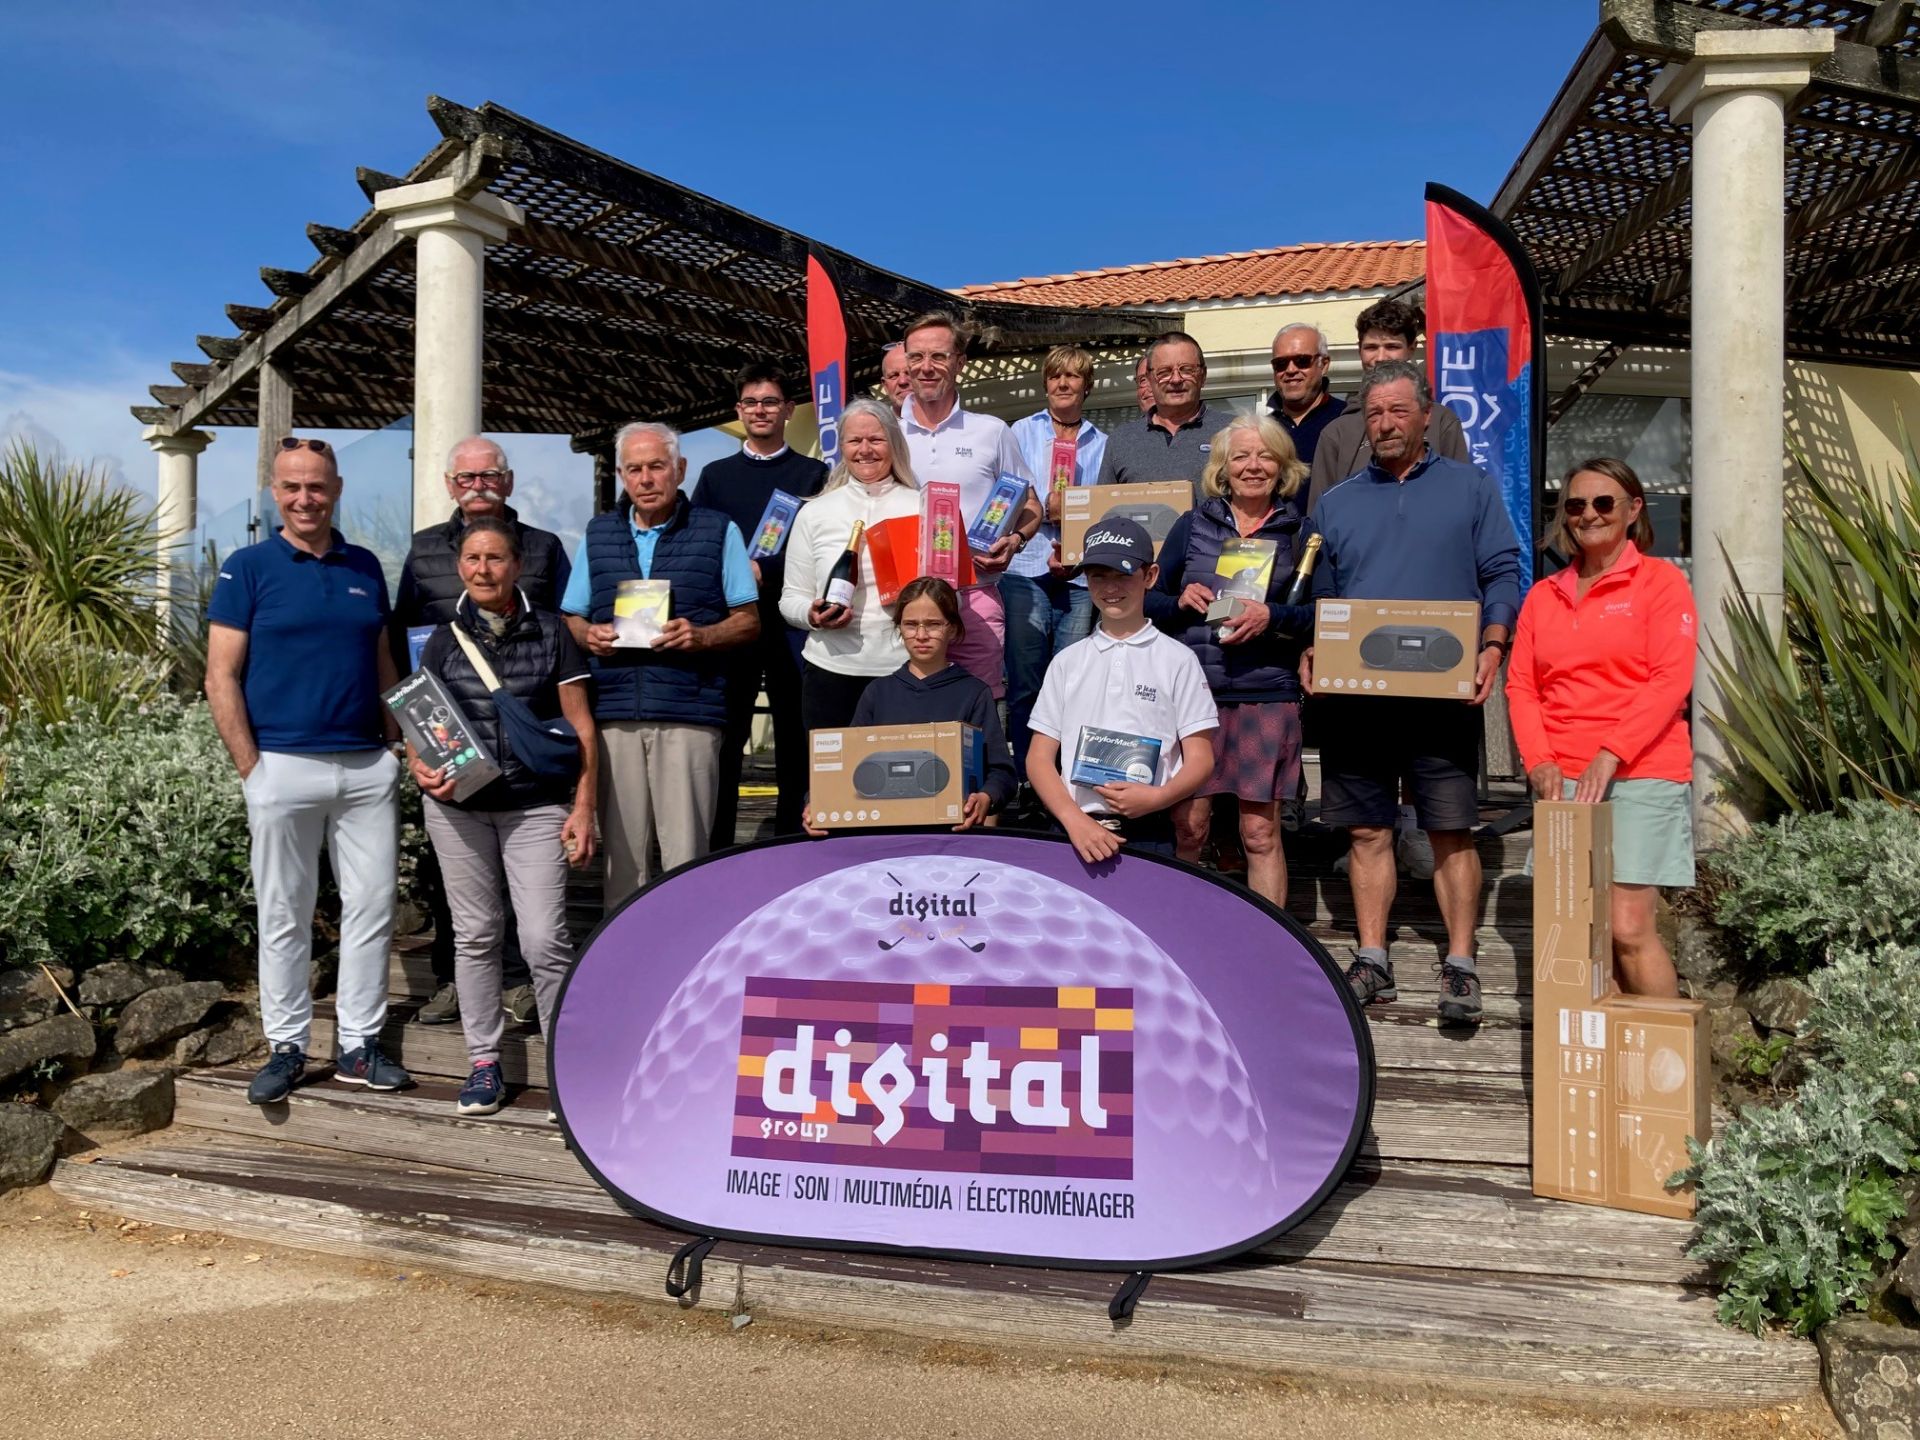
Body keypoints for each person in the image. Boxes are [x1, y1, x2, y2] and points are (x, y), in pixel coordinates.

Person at [1304, 360, 1522, 1024]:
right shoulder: (1336, 502)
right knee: (1367, 830)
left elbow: (1501, 571)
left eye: (1399, 411)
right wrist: (1312, 647)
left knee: (1450, 830)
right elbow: (1321, 594)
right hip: (1359, 700)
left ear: (1427, 416)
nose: (1386, 423)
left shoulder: (1471, 486)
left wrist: (1493, 645)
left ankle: (1461, 964)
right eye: (1375, 413)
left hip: (1442, 698)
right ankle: (1373, 958)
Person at [205, 436, 412, 1104]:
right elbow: (220, 675)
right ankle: (288, 1045)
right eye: (292, 487)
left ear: (336, 490)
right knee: (285, 913)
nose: (305, 499)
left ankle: (358, 1045)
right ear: (275, 493)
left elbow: (382, 660)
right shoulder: (247, 567)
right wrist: (252, 769)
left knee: (373, 908)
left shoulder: (365, 567)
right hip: (282, 767)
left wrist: (394, 742)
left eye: (316, 486)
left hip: (364, 767)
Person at [407, 517, 599, 1115]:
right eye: (472, 559)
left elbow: (582, 727)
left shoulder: (553, 632)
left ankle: (565, 1066)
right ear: (459, 567)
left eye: (494, 559)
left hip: (535, 804)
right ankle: (484, 1063)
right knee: (476, 936)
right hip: (458, 810)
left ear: (517, 566)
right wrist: (419, 766)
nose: (483, 570)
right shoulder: (441, 640)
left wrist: (584, 807)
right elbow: (419, 720)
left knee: (543, 938)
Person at [393, 435, 571, 1029]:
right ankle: (453, 980)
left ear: (508, 481)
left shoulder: (543, 547)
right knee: (457, 884)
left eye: (489, 476)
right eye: (466, 478)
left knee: (527, 888)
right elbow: (404, 637)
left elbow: (564, 628)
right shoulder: (423, 549)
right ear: (450, 485)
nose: (478, 487)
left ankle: (519, 982)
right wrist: (412, 740)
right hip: (450, 739)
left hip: (523, 742)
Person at [1507, 458, 1696, 998]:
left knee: (1629, 929)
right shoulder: (1544, 594)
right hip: (1563, 781)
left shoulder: (1662, 583)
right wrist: (1539, 761)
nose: (1588, 514)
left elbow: (1670, 679)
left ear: (1634, 509)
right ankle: (1598, 1048)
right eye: (1575, 504)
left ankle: (1661, 1048)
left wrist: (1612, 751)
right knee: (1579, 933)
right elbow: (1522, 686)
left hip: (1642, 772)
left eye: (1603, 502)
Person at [561, 422, 760, 910]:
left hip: (689, 711)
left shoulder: (719, 530)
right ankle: (626, 953)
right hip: (615, 714)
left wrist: (702, 635)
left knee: (686, 858)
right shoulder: (598, 533)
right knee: (622, 863)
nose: (646, 479)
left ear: (680, 469)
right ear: (622, 476)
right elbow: (572, 617)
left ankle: (687, 951)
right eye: (634, 469)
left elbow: (749, 621)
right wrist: (590, 635)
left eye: (656, 466)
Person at [1147, 414, 1312, 907]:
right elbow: (1149, 598)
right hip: (1196, 695)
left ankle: (1270, 939)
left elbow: (1322, 613)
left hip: (1267, 694)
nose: (1253, 466)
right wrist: (1179, 601)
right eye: (1241, 456)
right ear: (1223, 467)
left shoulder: (1299, 531)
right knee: (1189, 827)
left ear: (1283, 467)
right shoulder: (1193, 524)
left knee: (1259, 833)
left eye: (1265, 456)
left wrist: (1273, 615)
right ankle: (1179, 928)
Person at [690, 363, 829, 846]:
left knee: (795, 734)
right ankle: (717, 847)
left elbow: (822, 546)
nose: (760, 411)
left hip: (793, 622)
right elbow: (701, 544)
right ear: (739, 410)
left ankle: (792, 841)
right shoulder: (715, 476)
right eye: (750, 403)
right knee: (727, 734)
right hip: (734, 621)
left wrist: (765, 570)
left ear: (789, 410)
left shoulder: (814, 474)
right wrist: (737, 574)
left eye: (770, 402)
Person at [1028, 517, 1218, 862]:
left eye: (1123, 574)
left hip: (1150, 830)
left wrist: (1158, 798)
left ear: (1151, 576)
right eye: (1098, 576)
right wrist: (1073, 820)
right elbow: (1038, 758)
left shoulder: (1178, 659)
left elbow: (1201, 759)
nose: (1110, 587)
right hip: (1072, 829)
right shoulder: (1067, 661)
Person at [897, 310, 1042, 699]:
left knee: (981, 707)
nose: (926, 367)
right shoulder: (888, 435)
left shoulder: (991, 431)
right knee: (913, 711)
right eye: (916, 357)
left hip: (975, 595)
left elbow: (1031, 504)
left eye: (939, 356)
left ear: (959, 362)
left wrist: (1015, 540)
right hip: (905, 602)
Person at [804, 577, 1016, 835]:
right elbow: (845, 767)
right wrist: (816, 803)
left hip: (951, 838)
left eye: (933, 624)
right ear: (899, 628)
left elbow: (1002, 772)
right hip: (884, 837)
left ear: (952, 629)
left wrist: (986, 797)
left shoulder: (973, 693)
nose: (921, 635)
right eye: (911, 625)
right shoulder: (877, 693)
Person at [779, 398, 922, 729]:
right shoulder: (814, 512)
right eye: (855, 440)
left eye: (876, 439)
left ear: (894, 443)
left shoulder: (923, 507)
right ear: (841, 446)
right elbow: (791, 598)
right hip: (828, 673)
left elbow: (951, 596)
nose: (865, 450)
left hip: (905, 669)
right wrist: (812, 615)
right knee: (834, 766)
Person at [1004, 345, 1105, 792]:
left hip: (1079, 573)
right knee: (1025, 681)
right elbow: (1006, 492)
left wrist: (1076, 514)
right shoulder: (1019, 432)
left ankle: (1064, 781)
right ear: (1045, 383)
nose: (1063, 384)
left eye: (1073, 376)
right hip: (1024, 568)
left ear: (1087, 386)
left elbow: (1106, 504)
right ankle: (1027, 781)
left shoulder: (1102, 441)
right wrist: (1042, 509)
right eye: (1055, 376)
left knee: (1070, 682)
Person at [1306, 299, 1470, 514]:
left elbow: (1463, 501)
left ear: (1411, 348)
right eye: (1371, 347)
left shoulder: (1441, 421)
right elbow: (1319, 517)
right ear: (1359, 350)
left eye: (1392, 346)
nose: (1381, 357)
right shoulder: (1336, 433)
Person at [1098, 331, 1238, 505]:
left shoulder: (1234, 431)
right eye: (1164, 372)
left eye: (1186, 370)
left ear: (1203, 376)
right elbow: (1103, 510)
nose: (1176, 379)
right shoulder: (1120, 440)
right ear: (1150, 379)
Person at [1265, 323, 1344, 466]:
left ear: (1324, 365)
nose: (1291, 370)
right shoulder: (1263, 431)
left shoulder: (1348, 420)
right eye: (1281, 363)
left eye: (1302, 361)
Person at [879, 342, 911, 413]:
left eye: (909, 373)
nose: (902, 381)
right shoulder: (879, 421)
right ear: (885, 385)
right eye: (894, 376)